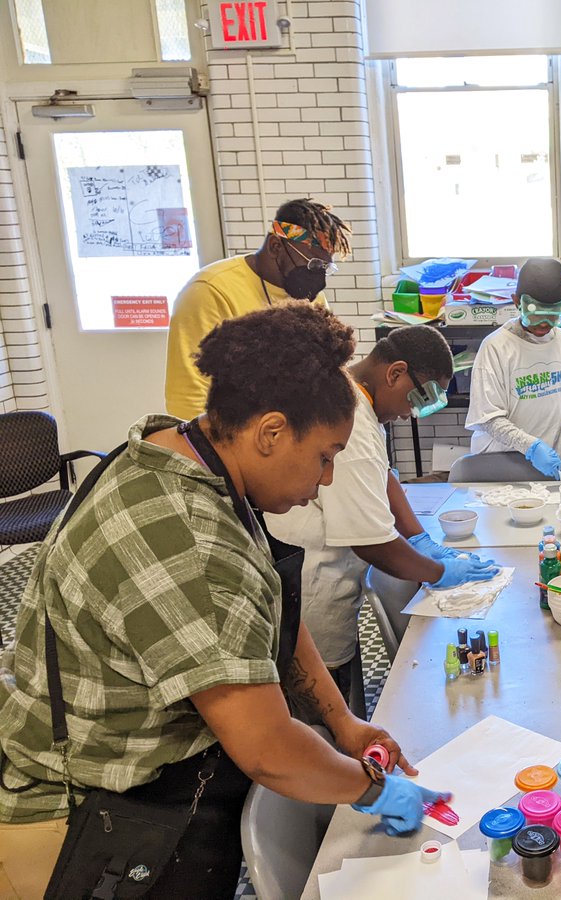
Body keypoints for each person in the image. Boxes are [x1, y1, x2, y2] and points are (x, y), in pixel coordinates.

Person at [0, 305, 446, 899]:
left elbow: (270, 611)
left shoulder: (184, 449)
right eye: (324, 456)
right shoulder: (188, 538)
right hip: (84, 820)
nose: (328, 479)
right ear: (271, 432)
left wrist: (341, 721)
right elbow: (268, 750)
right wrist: (374, 788)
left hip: (151, 782)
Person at [265, 325, 498, 711]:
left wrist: (421, 538)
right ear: (395, 373)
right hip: (315, 588)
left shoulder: (357, 401)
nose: (411, 414)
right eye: (419, 398)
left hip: (326, 582)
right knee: (323, 715)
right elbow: (371, 540)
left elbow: (384, 476)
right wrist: (437, 573)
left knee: (340, 700)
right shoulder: (352, 422)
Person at [165, 198, 352, 420]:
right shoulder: (211, 291)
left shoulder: (311, 298)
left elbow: (327, 372)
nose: (318, 276)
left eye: (325, 267)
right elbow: (189, 400)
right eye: (313, 264)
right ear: (275, 247)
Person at [465, 258, 561, 478]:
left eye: (553, 313)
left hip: (551, 465)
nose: (545, 322)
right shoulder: (496, 347)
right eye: (537, 313)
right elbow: (489, 418)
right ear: (516, 301)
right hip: (501, 467)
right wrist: (531, 447)